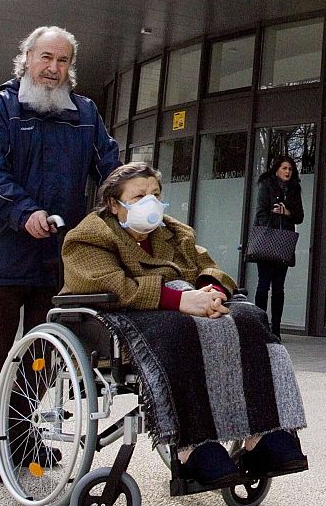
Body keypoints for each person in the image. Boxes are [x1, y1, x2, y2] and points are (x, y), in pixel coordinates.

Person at [62, 162, 308, 488]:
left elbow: (209, 267)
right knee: (179, 330)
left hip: (188, 307)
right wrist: (180, 301)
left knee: (251, 318)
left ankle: (266, 434)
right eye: (139, 195)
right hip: (128, 316)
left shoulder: (174, 232)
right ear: (113, 203)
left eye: (155, 194)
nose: (150, 202)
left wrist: (214, 293)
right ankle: (192, 447)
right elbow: (110, 284)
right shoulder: (89, 236)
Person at [0, 26, 120, 484]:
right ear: (27, 57)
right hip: (2, 253)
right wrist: (24, 211)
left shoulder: (85, 113)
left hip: (58, 255)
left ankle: (26, 436)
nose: (53, 70)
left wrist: (130, 196)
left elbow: (109, 165)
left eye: (62, 62)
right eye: (46, 58)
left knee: (44, 356)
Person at [251, 155, 303, 337]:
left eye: (290, 169)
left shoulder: (295, 189)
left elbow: (300, 216)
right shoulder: (266, 185)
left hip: (284, 242)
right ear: (276, 169)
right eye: (284, 168)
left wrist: (287, 212)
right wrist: (271, 226)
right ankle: (260, 327)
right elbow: (261, 212)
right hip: (267, 241)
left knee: (279, 287)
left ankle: (276, 329)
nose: (288, 172)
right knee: (263, 285)